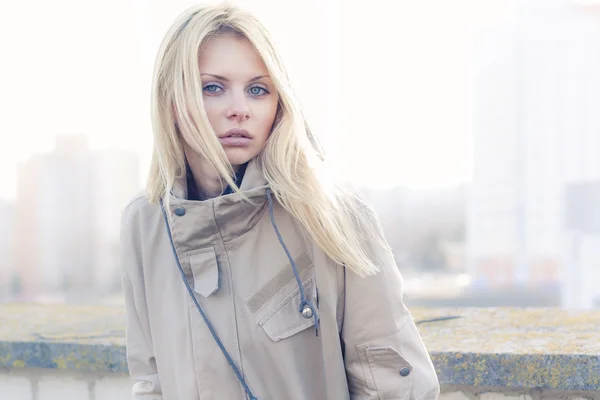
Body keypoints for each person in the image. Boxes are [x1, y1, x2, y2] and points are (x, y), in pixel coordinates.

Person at [120, 3, 440, 399]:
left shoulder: (331, 214)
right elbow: (150, 379)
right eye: (213, 87)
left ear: (279, 102)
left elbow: (394, 382)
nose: (240, 109)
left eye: (258, 89)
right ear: (170, 99)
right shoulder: (144, 222)